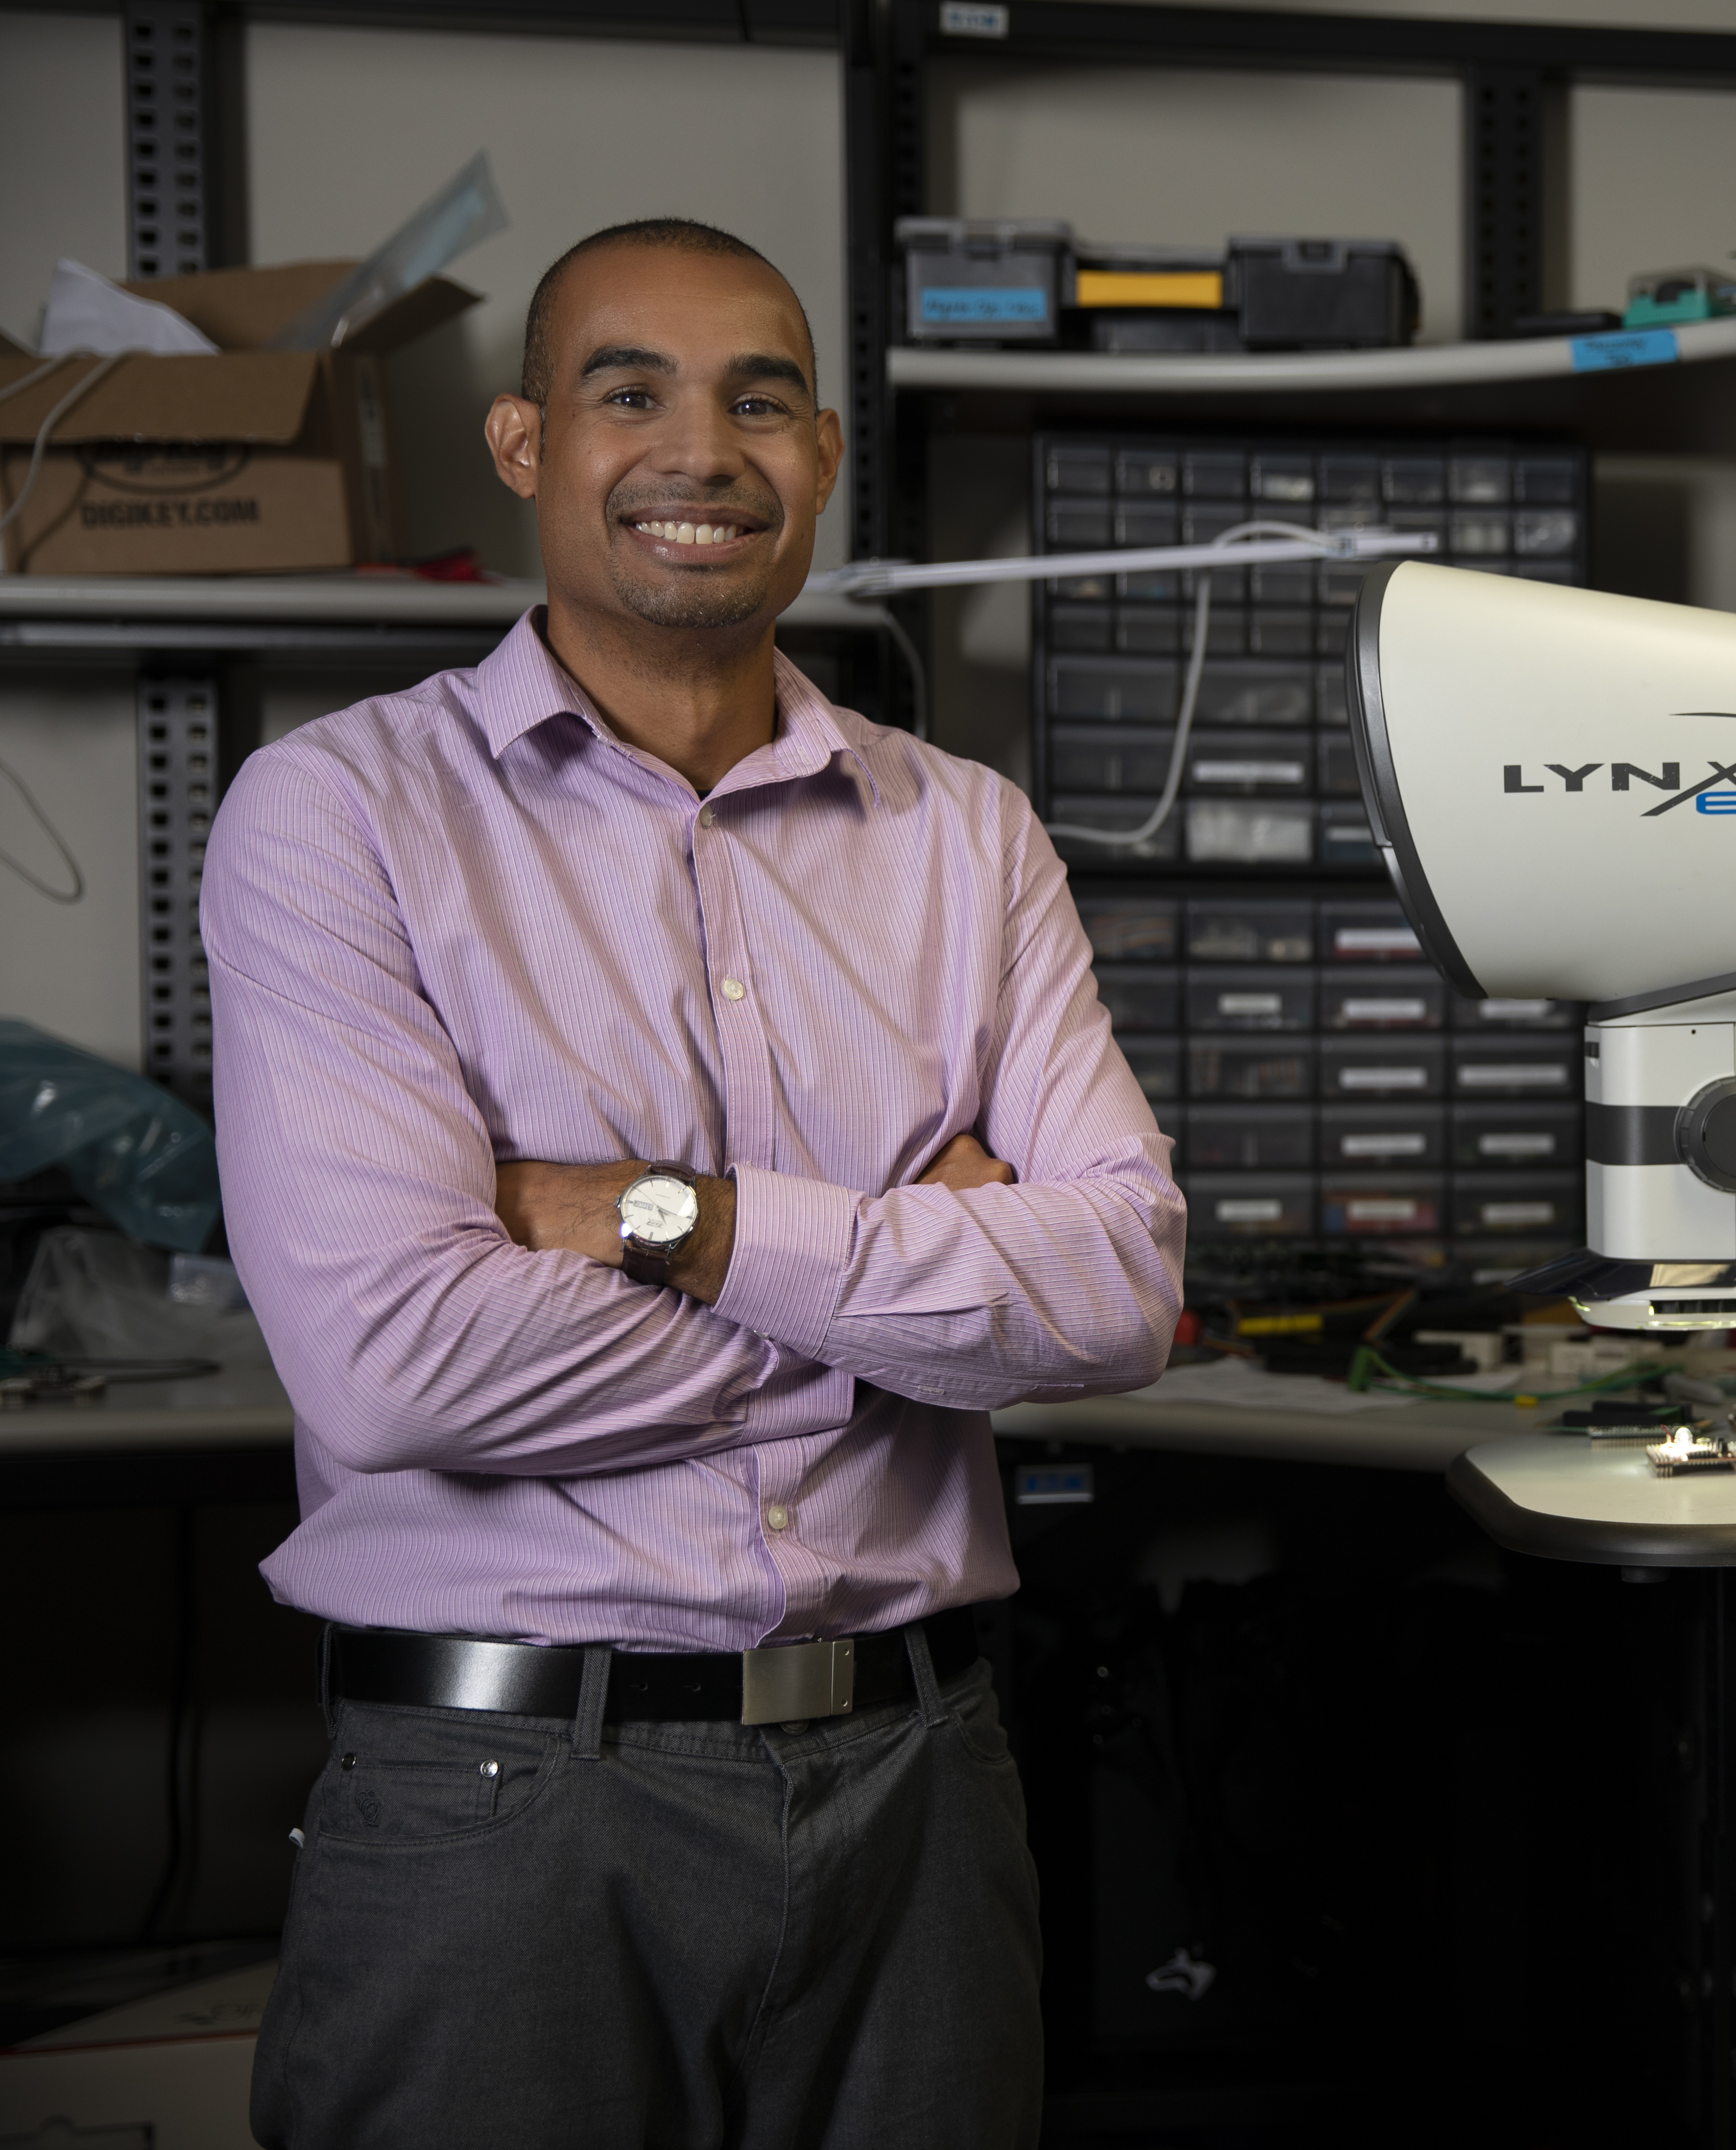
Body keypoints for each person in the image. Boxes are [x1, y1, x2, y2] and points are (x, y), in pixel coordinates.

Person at [203, 217, 1183, 2148]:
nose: (700, 450)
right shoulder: (342, 816)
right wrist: (924, 1299)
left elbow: (1126, 1287)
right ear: (521, 444)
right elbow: (397, 1364)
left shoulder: (965, 838)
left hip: (922, 1780)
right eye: (626, 391)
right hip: (505, 1802)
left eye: (759, 400)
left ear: (821, 456)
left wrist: (678, 1220)